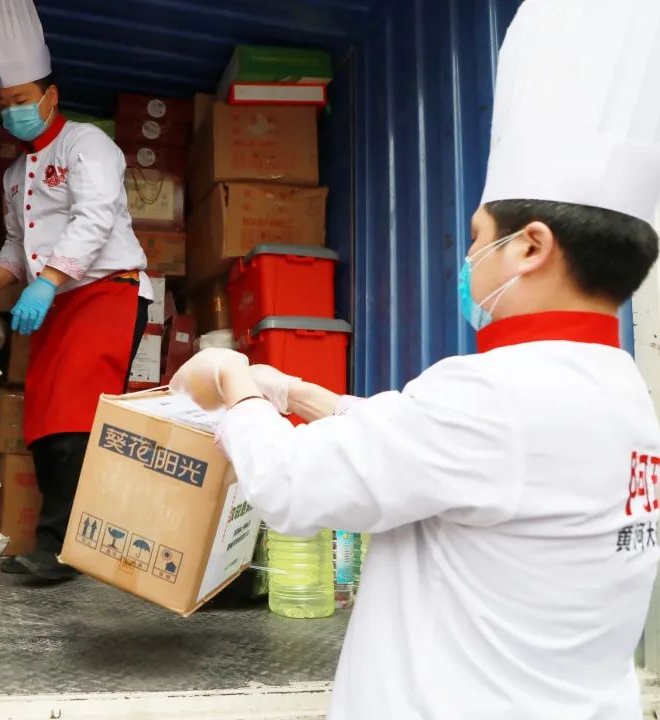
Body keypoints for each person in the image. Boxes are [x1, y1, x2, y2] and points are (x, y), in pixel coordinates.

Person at [171, 0, 660, 717]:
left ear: (530, 246)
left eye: (476, 238)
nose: (467, 261)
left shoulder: (499, 395)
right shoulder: (619, 389)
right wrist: (306, 395)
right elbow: (449, 455)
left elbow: (294, 487)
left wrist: (229, 381)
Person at [0, 0, 152, 580]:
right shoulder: (14, 174)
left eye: (23, 99)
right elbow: (17, 246)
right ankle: (60, 545)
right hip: (56, 300)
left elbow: (95, 218)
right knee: (47, 422)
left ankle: (62, 550)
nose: (15, 111)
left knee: (77, 419)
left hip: (107, 293)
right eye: (6, 104)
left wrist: (46, 283)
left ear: (50, 95)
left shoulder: (87, 144)